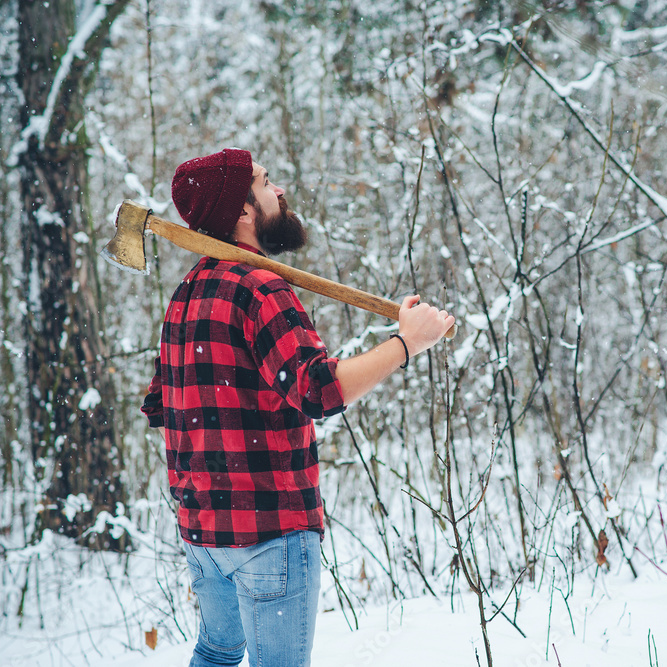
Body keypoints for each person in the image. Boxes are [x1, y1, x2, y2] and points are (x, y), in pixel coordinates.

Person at [141, 147, 454, 667]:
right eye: (266, 183)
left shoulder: (187, 294)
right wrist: (406, 344)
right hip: (270, 535)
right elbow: (318, 391)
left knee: (217, 653)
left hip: (204, 535)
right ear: (242, 210)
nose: (280, 191)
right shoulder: (261, 289)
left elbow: (161, 406)